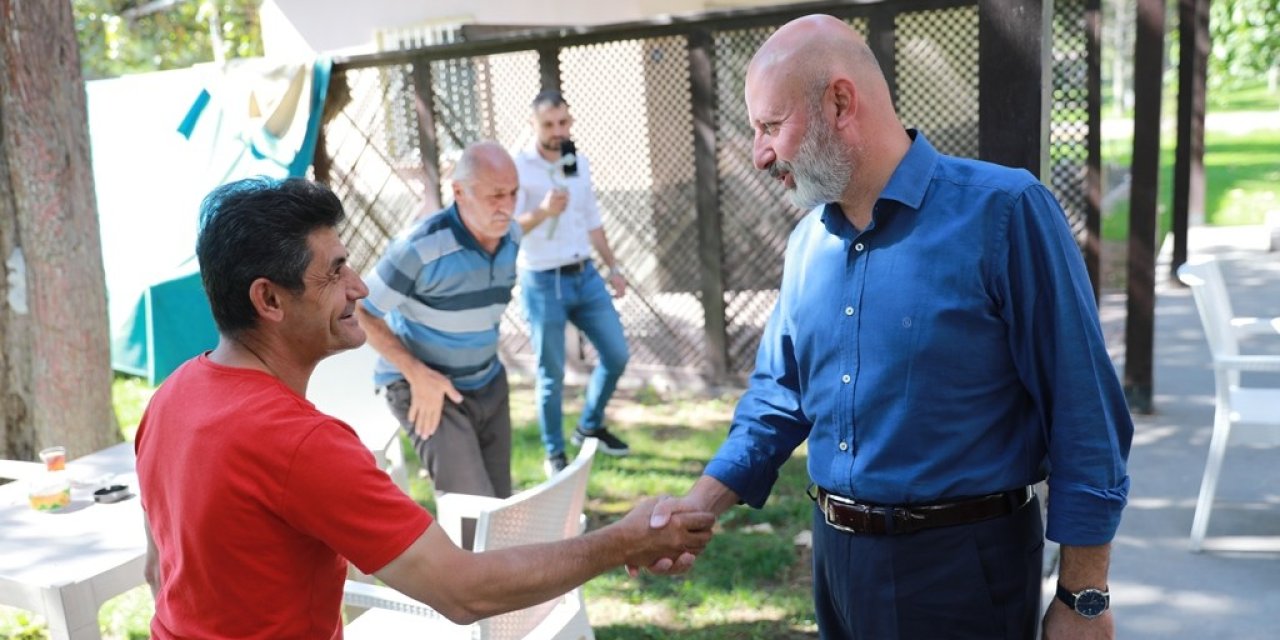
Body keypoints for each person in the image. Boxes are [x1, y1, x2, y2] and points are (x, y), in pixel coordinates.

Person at [646, 14, 1134, 640]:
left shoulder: (1005, 212)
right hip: (837, 564)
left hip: (960, 571)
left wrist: (1083, 597)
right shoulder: (806, 245)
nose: (759, 153)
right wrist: (697, 509)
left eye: (770, 125)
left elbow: (1084, 410)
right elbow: (777, 399)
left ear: (841, 102)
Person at [134, 175, 714, 639]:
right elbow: (463, 591)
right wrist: (624, 541)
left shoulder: (172, 394)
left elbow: (160, 571)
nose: (360, 289)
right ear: (269, 299)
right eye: (335, 272)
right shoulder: (302, 443)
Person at [355, 142, 520, 548]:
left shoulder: (511, 236)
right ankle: (469, 602)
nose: (508, 206)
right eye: (495, 194)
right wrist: (416, 374)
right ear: (459, 192)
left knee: (499, 510)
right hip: (427, 387)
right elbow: (360, 309)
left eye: (514, 192)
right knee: (472, 515)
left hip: (488, 381)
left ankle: (503, 604)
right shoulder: (418, 247)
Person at [512, 90, 632, 476]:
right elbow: (510, 227)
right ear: (534, 124)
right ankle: (554, 453)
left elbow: (592, 218)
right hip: (542, 279)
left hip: (585, 275)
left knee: (616, 355)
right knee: (552, 374)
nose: (557, 131)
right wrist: (544, 211)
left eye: (563, 122)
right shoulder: (518, 166)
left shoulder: (577, 161)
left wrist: (612, 267)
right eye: (549, 124)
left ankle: (589, 425)